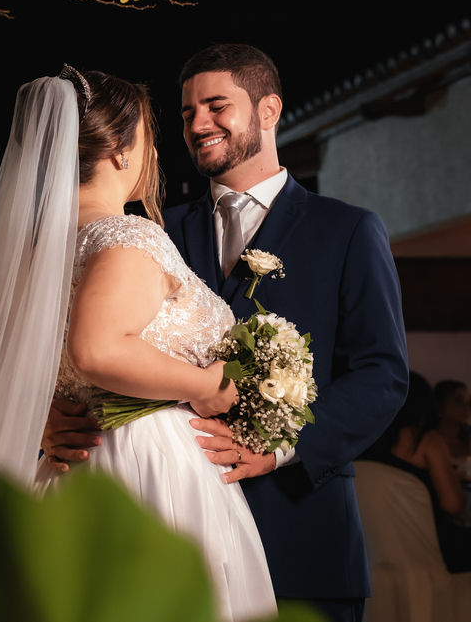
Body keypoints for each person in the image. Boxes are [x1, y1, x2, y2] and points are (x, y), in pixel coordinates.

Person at [0, 69, 276, 621]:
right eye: (147, 135)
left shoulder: (31, 259)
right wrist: (208, 384)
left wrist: (37, 416)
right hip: (143, 465)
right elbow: (97, 350)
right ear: (121, 151)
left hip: (70, 461)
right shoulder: (127, 234)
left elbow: (2, 370)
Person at [158, 44, 407, 622]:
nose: (198, 125)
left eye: (216, 106)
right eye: (188, 112)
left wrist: (277, 448)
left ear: (268, 110)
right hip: (177, 534)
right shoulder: (157, 232)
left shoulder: (347, 230)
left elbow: (381, 374)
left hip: (303, 538)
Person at [362, 372, 471, 573]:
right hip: (431, 546)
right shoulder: (426, 440)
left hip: (375, 547)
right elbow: (454, 506)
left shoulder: (364, 440)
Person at [426, 380, 471, 478]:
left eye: (469, 402)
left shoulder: (468, 441)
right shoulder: (428, 441)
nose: (467, 407)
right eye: (459, 401)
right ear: (440, 404)